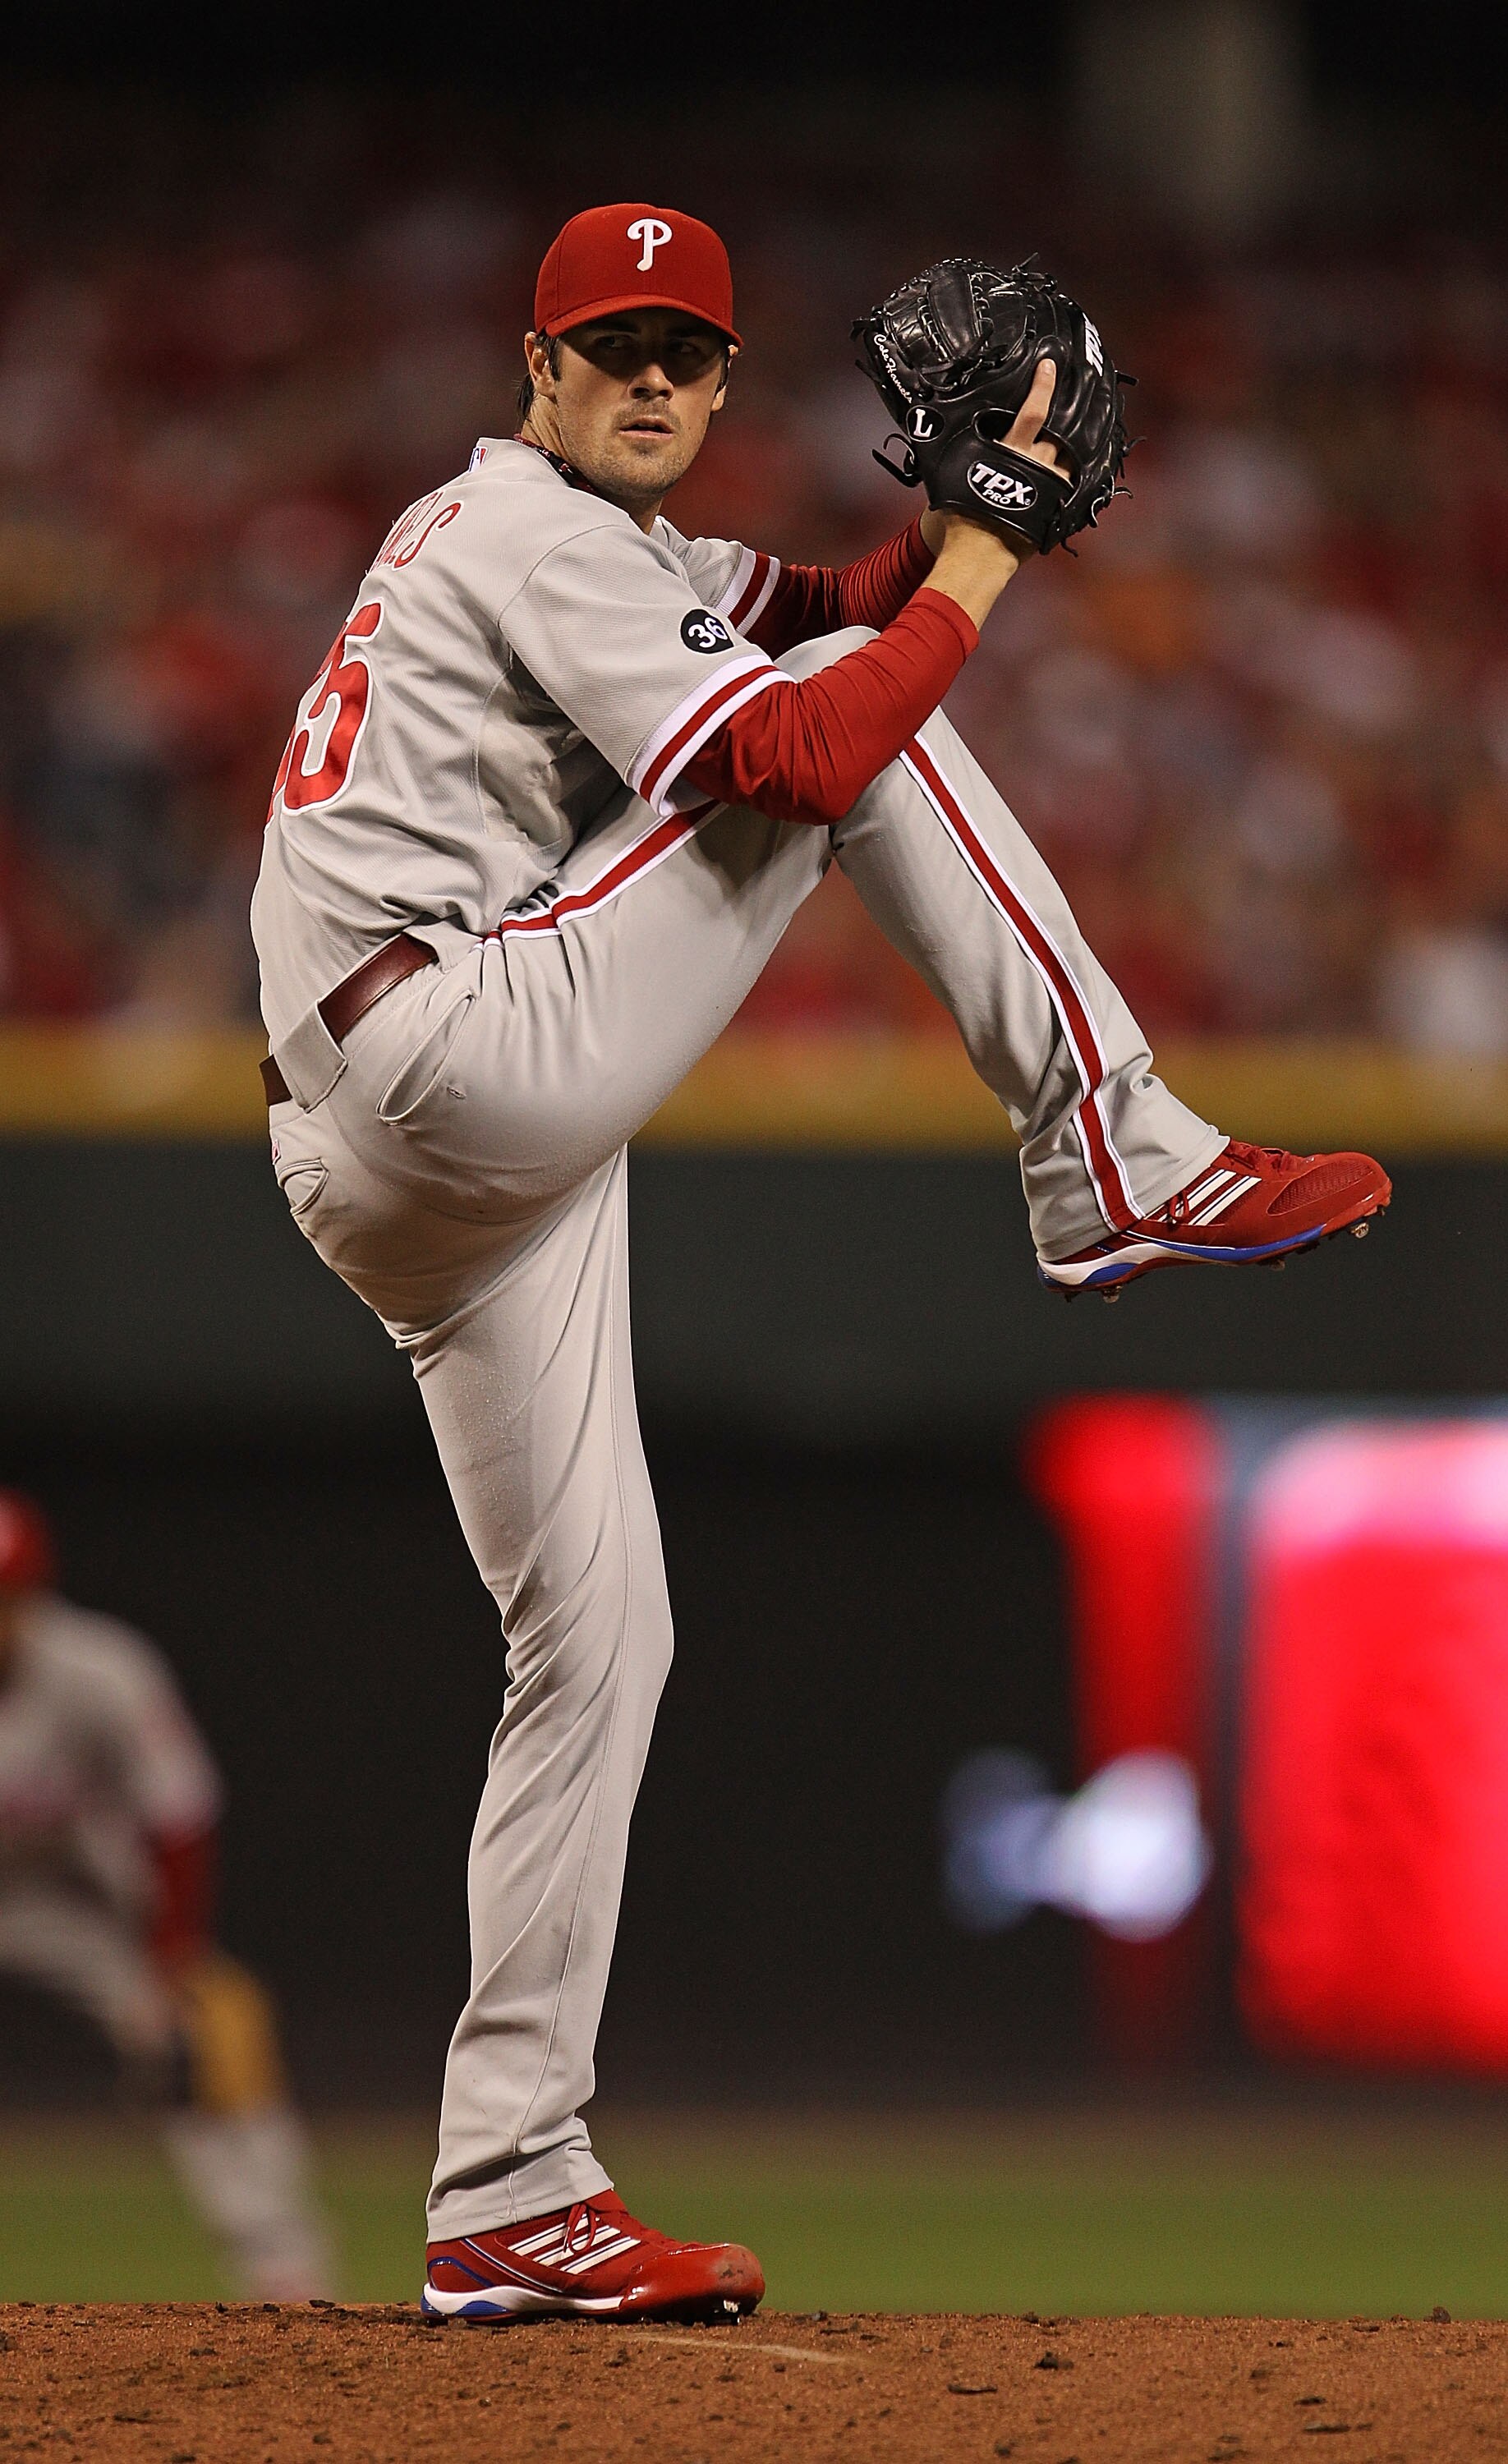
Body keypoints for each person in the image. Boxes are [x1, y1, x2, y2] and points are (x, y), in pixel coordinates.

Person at [251, 202, 1389, 2323]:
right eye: (616, 351)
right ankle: (1109, 1147)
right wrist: (985, 556)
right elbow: (800, 745)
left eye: (689, 349)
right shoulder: (524, 532)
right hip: (446, 1059)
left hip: (410, 1145)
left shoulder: (602, 546)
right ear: (536, 372)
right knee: (835, 726)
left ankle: (509, 2187)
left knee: (597, 1646)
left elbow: (825, 603)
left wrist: (956, 528)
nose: (659, 382)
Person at [0, 1490, 333, 2299]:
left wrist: (173, 1959)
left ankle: (282, 2265)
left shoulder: (99, 1670)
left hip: (81, 1900)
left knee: (209, 2030)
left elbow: (178, 1810)